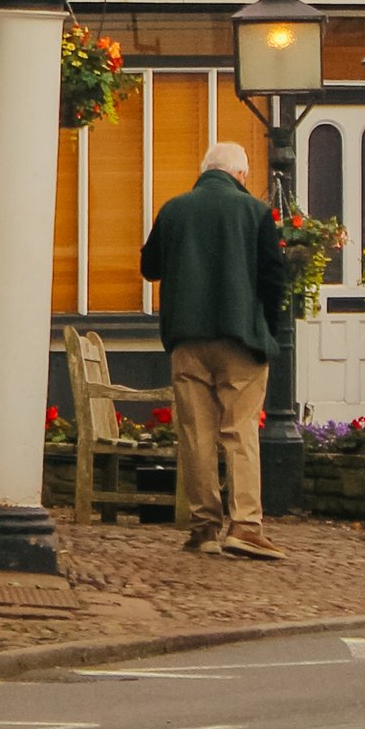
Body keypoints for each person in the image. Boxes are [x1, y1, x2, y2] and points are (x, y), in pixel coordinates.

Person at [137, 138, 291, 560]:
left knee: (196, 433)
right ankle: (245, 525)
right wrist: (268, 331)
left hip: (187, 339)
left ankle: (204, 527)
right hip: (241, 337)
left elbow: (150, 267)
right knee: (239, 432)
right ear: (240, 175)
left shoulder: (173, 209)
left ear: (205, 171)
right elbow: (274, 279)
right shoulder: (256, 212)